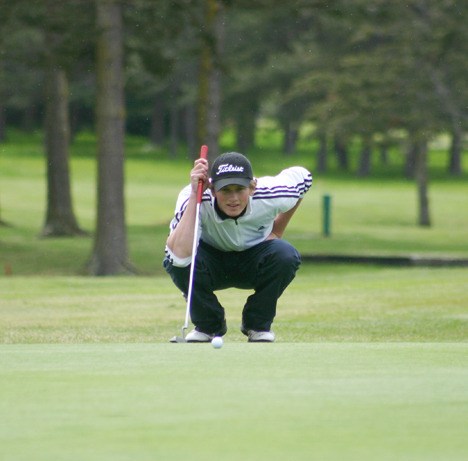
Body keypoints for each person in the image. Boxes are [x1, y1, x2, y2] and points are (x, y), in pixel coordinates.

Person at [164, 152, 312, 342]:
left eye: (239, 189)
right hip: (210, 262)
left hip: (255, 260)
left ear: (252, 187)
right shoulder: (193, 197)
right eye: (225, 190)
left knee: (285, 255)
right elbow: (178, 256)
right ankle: (208, 325)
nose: (233, 198)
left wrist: (278, 229)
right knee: (174, 260)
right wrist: (195, 195)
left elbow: (304, 178)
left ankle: (257, 325)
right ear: (212, 189)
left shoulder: (274, 193)